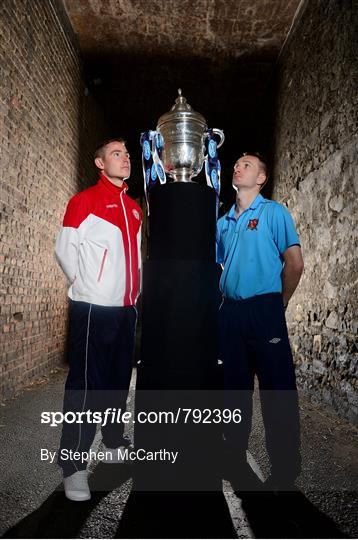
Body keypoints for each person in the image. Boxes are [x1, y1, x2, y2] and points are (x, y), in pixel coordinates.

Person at [55, 138, 142, 501]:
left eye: (126, 154)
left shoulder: (135, 207)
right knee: (86, 384)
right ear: (100, 163)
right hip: (93, 307)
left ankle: (111, 440)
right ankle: (73, 465)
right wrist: (90, 286)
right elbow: (66, 251)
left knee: (118, 380)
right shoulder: (84, 201)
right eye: (116, 154)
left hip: (127, 309)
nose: (125, 159)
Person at [216, 152, 304, 494]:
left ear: (261, 179)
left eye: (247, 165)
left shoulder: (274, 213)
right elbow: (220, 265)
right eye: (236, 163)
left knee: (276, 391)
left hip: (265, 310)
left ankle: (284, 469)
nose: (238, 166)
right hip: (231, 314)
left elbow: (294, 264)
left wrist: (278, 302)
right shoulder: (223, 222)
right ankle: (234, 457)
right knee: (232, 391)